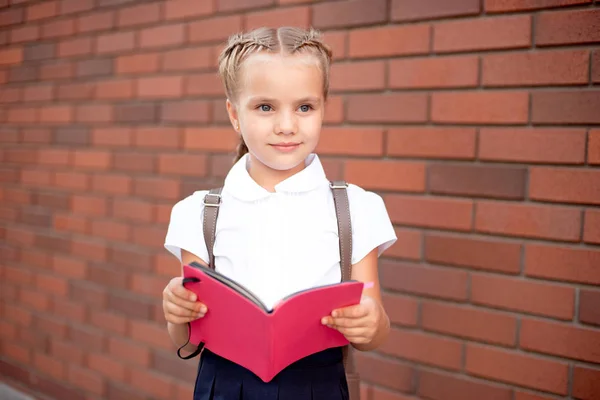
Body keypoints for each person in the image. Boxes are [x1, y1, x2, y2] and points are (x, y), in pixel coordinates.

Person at [161, 26, 397, 400]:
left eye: (304, 107)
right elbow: (187, 338)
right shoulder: (199, 213)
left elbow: (375, 328)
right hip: (225, 387)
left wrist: (371, 323)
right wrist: (176, 311)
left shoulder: (355, 209)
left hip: (316, 387)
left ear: (323, 108)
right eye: (265, 107)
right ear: (234, 114)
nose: (287, 126)